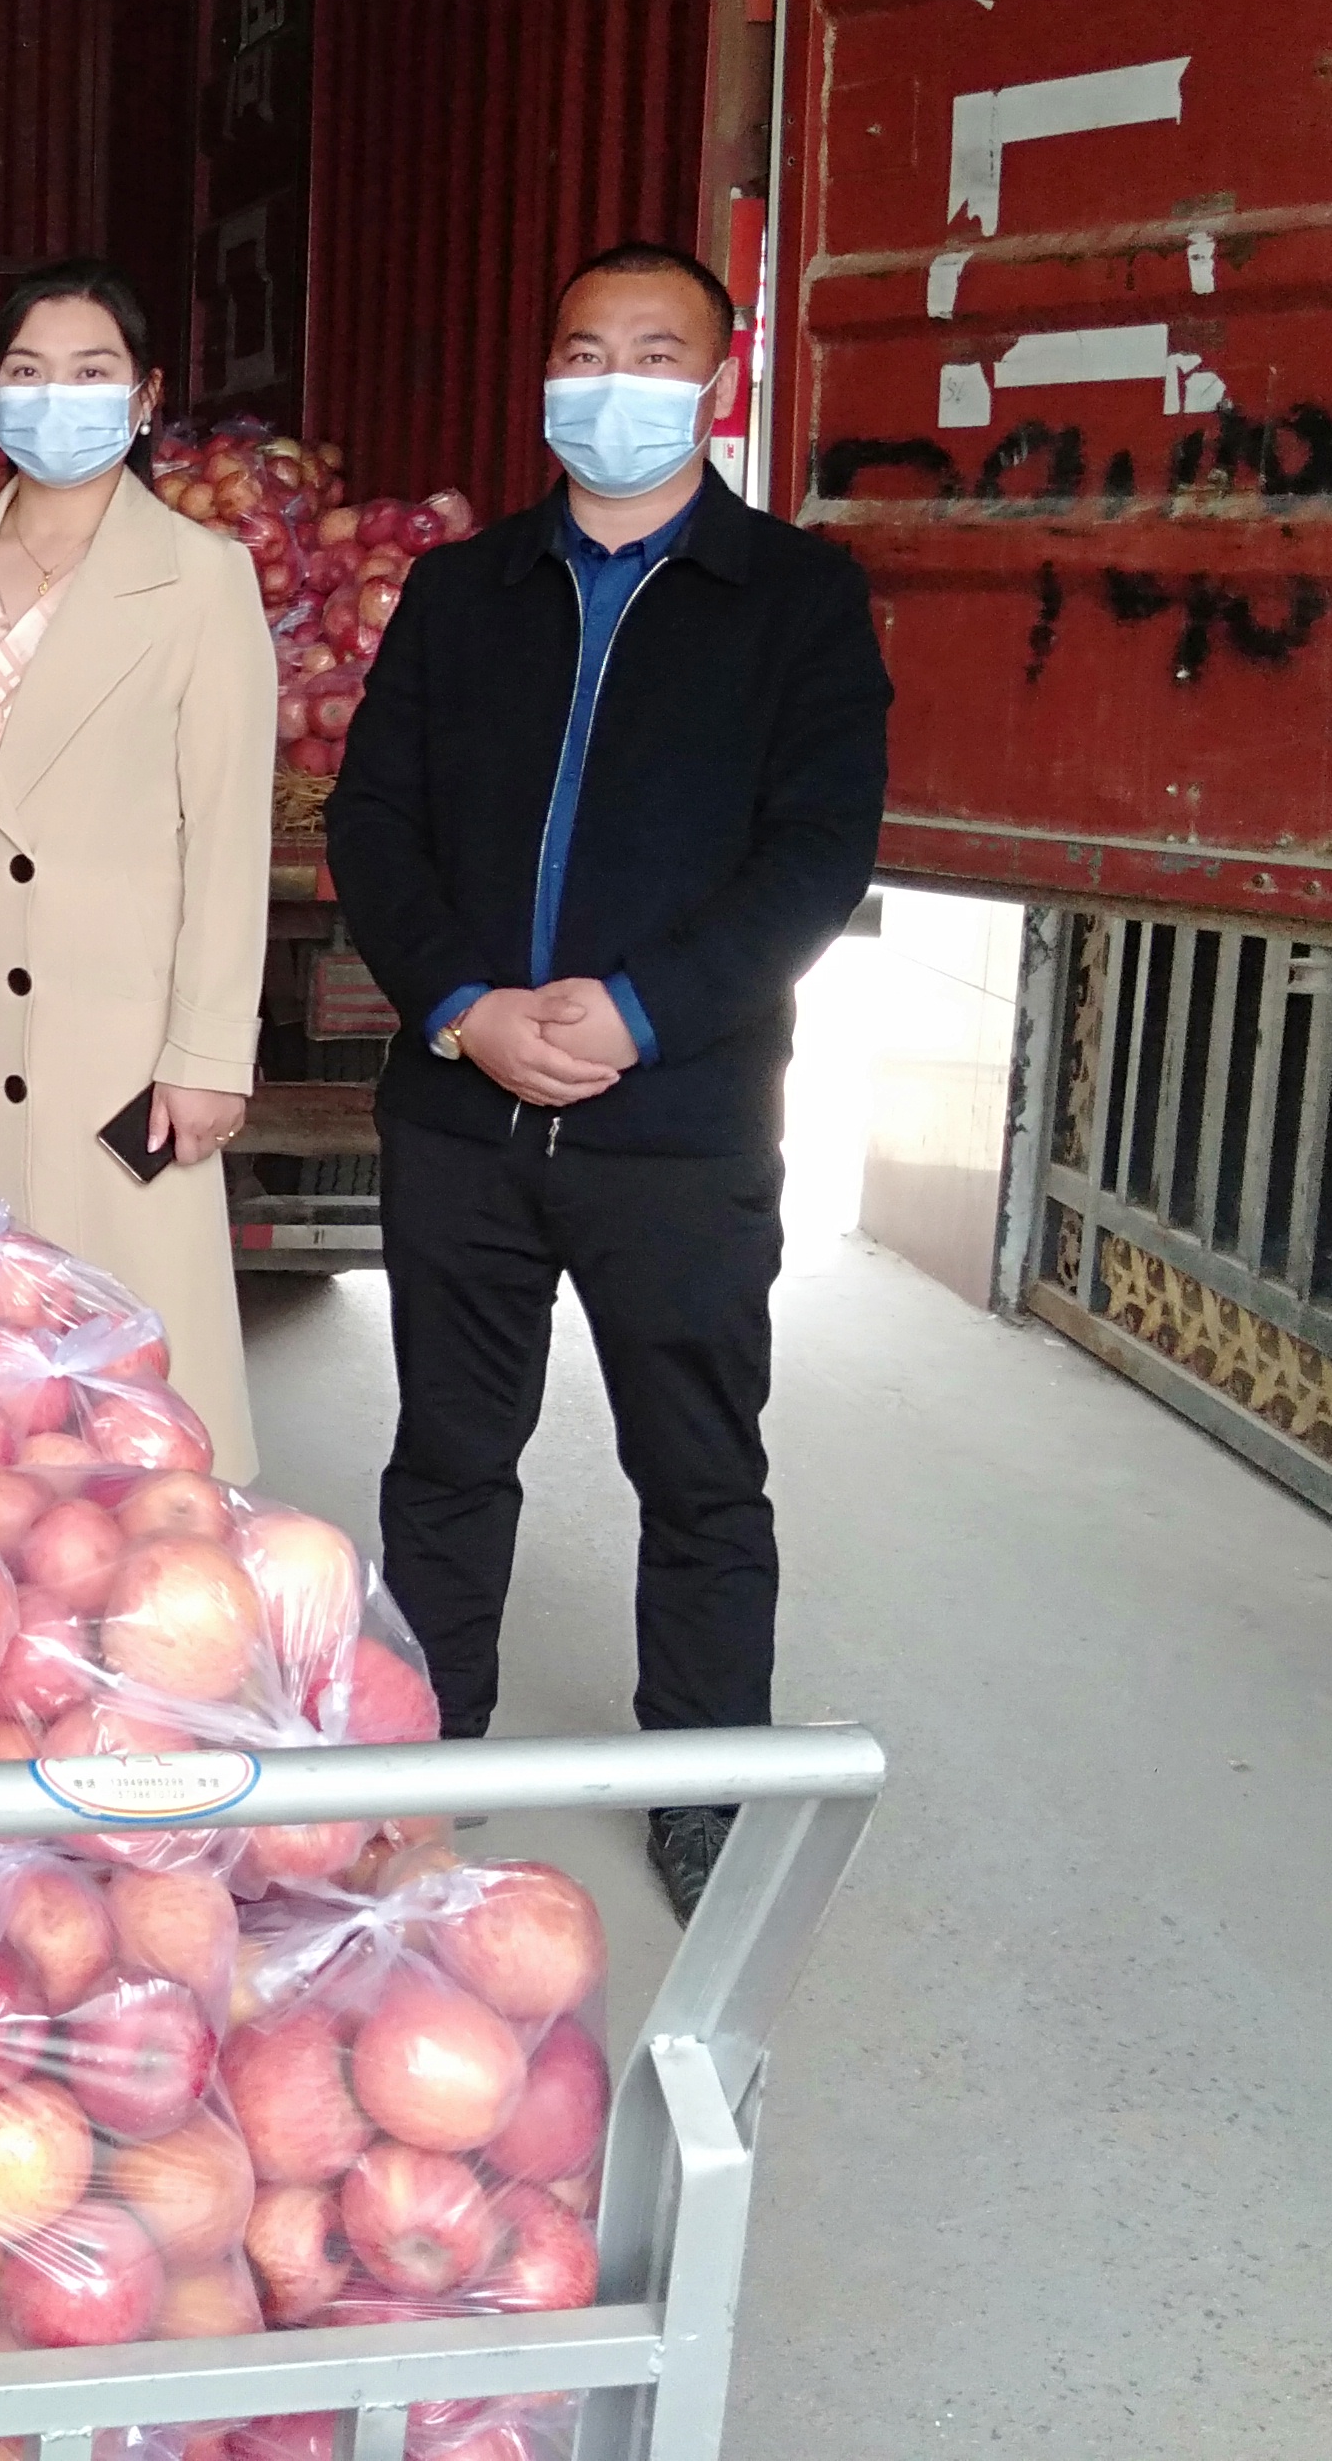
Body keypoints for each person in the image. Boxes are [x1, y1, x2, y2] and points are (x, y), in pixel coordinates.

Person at [323, 241, 890, 1923]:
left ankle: (699, 1781)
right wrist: (460, 1005)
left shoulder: (796, 598)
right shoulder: (462, 592)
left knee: (699, 1469)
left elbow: (816, 855)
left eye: (654, 353)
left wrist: (644, 1013)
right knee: (447, 1455)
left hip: (679, 1126)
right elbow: (374, 821)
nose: (612, 383)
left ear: (717, 381)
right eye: (584, 350)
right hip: (463, 1112)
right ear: (546, 377)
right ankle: (419, 1763)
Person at [0, 259, 278, 1476]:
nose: (55, 397)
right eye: (27, 372)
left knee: (107, 1437)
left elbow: (226, 835)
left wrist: (207, 1053)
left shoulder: (202, 579)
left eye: (89, 372)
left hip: (106, 1053)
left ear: (144, 396)